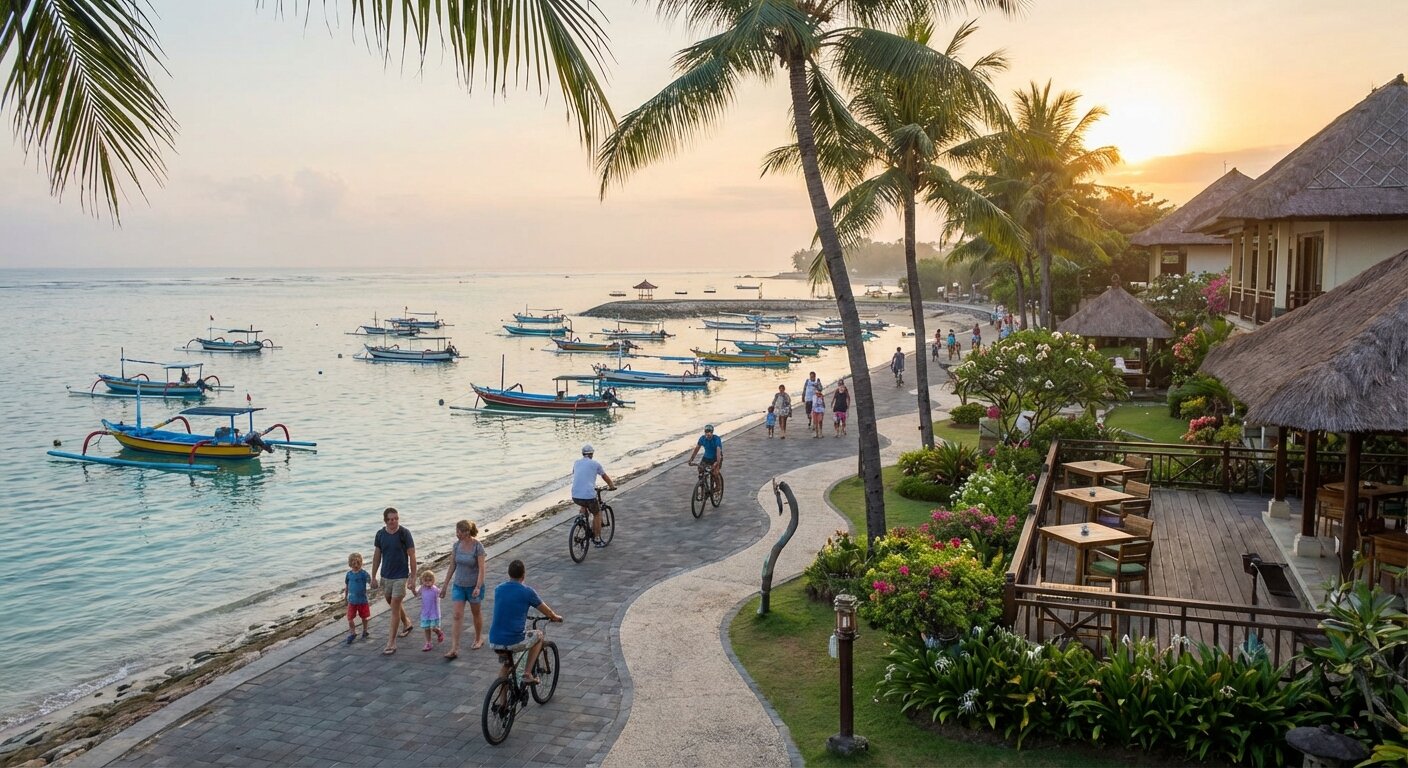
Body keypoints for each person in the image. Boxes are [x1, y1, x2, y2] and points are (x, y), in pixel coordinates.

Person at [488, 559, 562, 686]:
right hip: (513, 640)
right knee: (538, 635)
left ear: (509, 574)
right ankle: (527, 673)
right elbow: (548, 612)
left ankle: (502, 704)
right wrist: (555, 617)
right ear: (523, 575)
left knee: (507, 666)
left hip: (495, 640)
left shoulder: (498, 589)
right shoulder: (527, 592)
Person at [370, 507, 417, 655]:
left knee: (395, 608)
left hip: (400, 576)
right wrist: (373, 576)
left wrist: (413, 577)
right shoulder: (380, 535)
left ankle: (391, 642)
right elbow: (377, 556)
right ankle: (407, 623)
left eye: (396, 518)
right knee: (391, 602)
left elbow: (412, 555)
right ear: (385, 520)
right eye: (390, 519)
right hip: (385, 576)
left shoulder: (404, 533)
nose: (393, 521)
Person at [442, 519, 487, 658]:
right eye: (456, 531)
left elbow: (481, 569)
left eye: (459, 532)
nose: (457, 534)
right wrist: (444, 586)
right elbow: (452, 566)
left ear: (467, 532)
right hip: (458, 586)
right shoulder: (456, 546)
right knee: (456, 615)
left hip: (473, 587)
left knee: (476, 613)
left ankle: (478, 638)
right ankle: (454, 648)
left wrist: (478, 587)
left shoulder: (478, 546)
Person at [571, 444, 615, 548]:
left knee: (584, 503)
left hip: (575, 495)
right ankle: (597, 538)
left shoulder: (576, 463)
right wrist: (611, 486)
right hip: (588, 495)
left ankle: (581, 517)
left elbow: (577, 475)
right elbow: (605, 476)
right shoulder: (595, 464)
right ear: (592, 454)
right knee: (597, 513)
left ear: (583, 454)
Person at [410, 570, 443, 652]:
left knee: (434, 628)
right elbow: (416, 594)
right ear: (422, 581)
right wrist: (412, 589)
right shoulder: (422, 588)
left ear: (433, 580)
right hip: (425, 613)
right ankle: (428, 642)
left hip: (434, 613)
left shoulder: (435, 589)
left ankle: (439, 632)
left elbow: (442, 594)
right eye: (425, 580)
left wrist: (443, 590)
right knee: (426, 628)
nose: (427, 582)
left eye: (430, 580)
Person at [342, 552, 371, 645]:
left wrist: (373, 582)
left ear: (361, 563)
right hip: (352, 601)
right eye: (354, 563)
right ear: (350, 564)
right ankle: (353, 633)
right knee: (350, 618)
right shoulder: (349, 575)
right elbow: (347, 586)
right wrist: (345, 597)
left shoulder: (364, 574)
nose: (356, 565)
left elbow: (370, 582)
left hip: (362, 600)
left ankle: (365, 630)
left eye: (358, 563)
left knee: (364, 617)